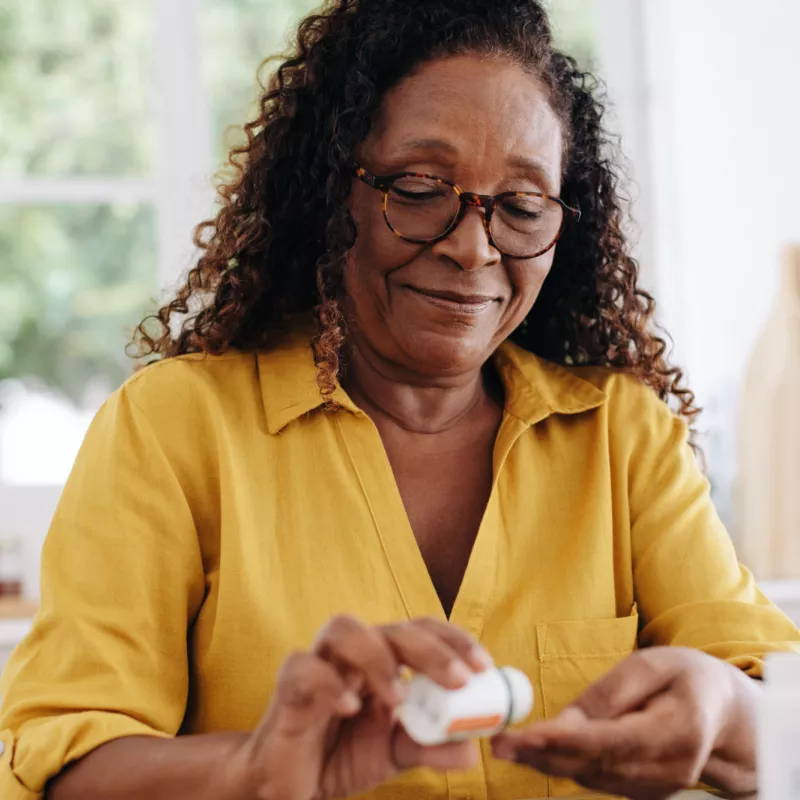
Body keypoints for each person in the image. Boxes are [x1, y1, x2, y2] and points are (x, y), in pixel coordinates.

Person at [1, 0, 799, 797]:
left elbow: (776, 711)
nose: (471, 245)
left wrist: (726, 711)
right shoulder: (177, 428)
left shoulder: (622, 437)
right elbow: (66, 763)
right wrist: (259, 769)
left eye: (521, 207)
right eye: (419, 188)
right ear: (331, 192)